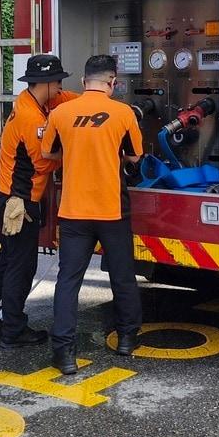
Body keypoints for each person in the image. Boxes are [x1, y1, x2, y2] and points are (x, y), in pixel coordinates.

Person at [40, 54, 144, 375]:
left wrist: (71, 152)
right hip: (112, 210)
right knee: (122, 277)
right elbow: (135, 156)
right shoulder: (123, 113)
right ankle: (126, 340)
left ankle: (64, 354)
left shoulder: (61, 112)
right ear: (112, 83)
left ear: (84, 82)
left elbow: (46, 152)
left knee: (68, 281)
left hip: (73, 212)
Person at [0, 54, 76, 347]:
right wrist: (73, 153)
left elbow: (68, 99)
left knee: (6, 261)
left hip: (7, 195)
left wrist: (93, 102)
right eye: (58, 82)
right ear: (46, 83)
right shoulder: (32, 118)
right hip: (20, 202)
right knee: (21, 266)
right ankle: (14, 331)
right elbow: (44, 162)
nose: (60, 88)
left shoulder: (29, 101)